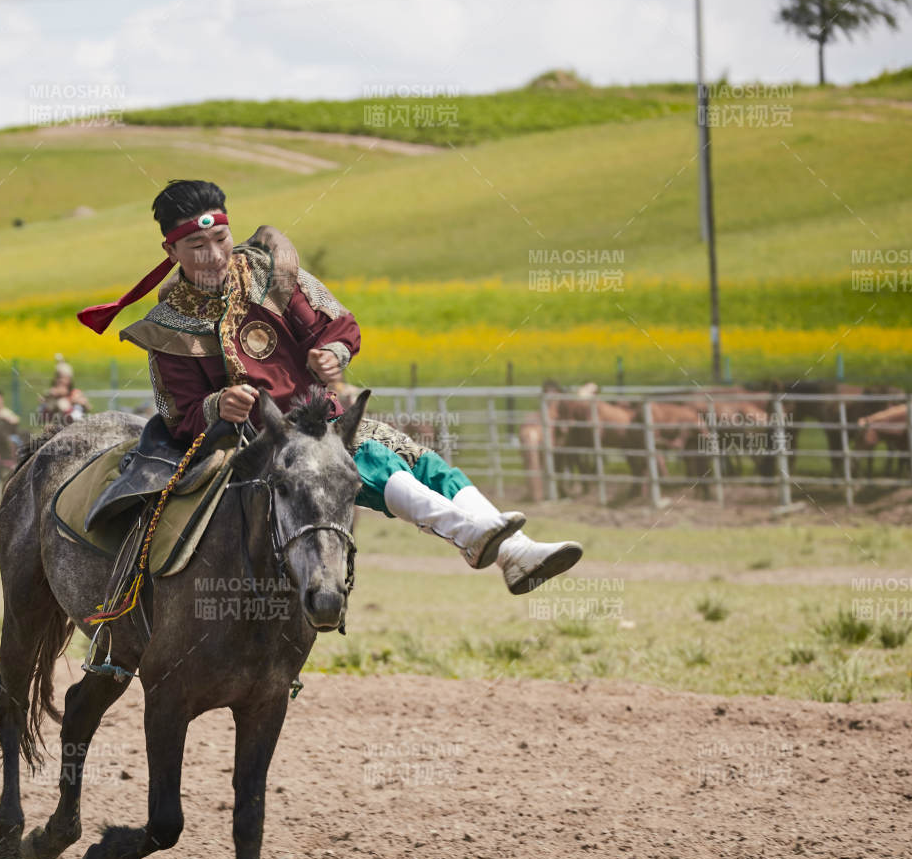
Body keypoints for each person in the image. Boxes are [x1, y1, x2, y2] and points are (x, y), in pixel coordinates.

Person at [75, 178, 582, 594]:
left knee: (424, 462)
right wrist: (217, 405)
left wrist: (332, 352)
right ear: (170, 250)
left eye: (221, 239)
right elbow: (178, 413)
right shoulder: (166, 327)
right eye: (196, 246)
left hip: (321, 421)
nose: (214, 255)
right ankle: (470, 535)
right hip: (251, 447)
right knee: (375, 462)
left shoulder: (271, 273)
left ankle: (515, 552)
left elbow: (337, 326)